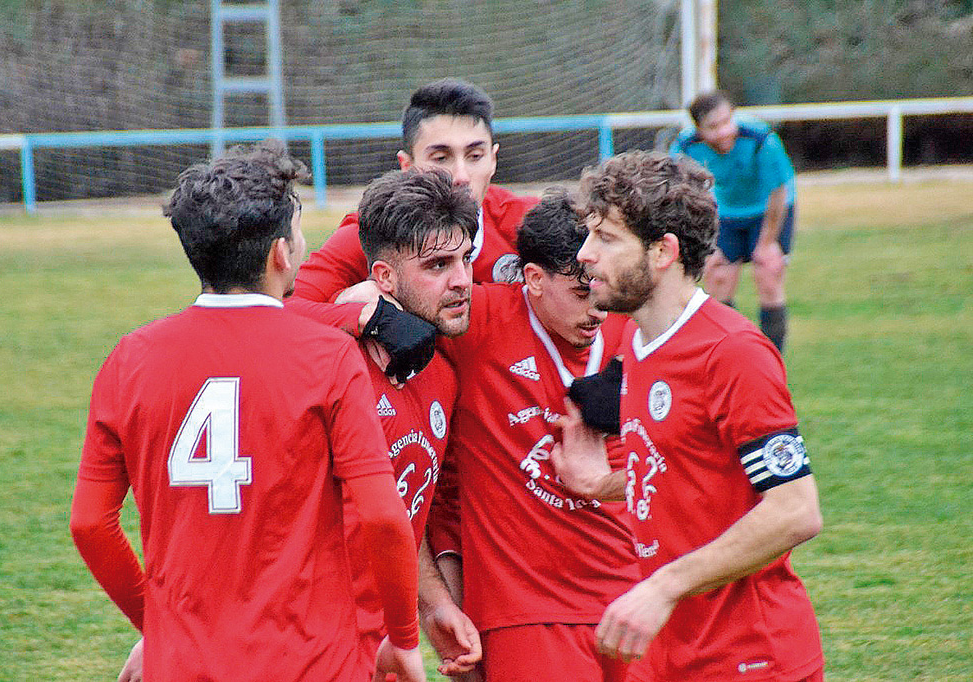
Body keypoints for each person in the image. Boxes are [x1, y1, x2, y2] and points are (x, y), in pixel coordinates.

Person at [69, 140, 425, 682]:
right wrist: (402, 637)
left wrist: (158, 624)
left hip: (183, 664)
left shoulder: (129, 359)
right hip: (313, 662)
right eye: (300, 231)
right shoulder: (327, 356)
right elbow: (382, 516)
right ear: (280, 253)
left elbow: (91, 524)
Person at [550, 150, 823, 681]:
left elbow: (795, 510)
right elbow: (688, 471)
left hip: (752, 657)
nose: (585, 254)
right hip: (669, 654)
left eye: (605, 239)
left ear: (663, 251)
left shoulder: (732, 352)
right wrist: (602, 483)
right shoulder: (637, 341)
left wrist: (661, 586)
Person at [420, 191, 648, 682]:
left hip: (636, 592)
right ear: (534, 279)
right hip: (527, 609)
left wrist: (604, 480)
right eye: (580, 293)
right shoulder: (476, 321)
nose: (598, 311)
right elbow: (352, 312)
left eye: (601, 289)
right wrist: (358, 307)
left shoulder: (636, 327)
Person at [345, 167, 482, 677]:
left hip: (382, 642)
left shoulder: (443, 376)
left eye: (465, 259)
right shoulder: (334, 368)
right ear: (383, 278)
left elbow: (407, 512)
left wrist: (435, 604)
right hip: (307, 638)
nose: (462, 280)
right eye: (438, 265)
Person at [293, 77, 539, 303]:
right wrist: (351, 307)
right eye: (441, 158)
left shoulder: (528, 223)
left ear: (493, 160)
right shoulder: (374, 232)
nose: (461, 176)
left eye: (475, 156)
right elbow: (288, 309)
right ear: (407, 166)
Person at [669, 90, 796, 352]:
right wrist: (702, 244)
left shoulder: (761, 139)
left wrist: (767, 242)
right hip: (724, 214)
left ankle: (772, 359)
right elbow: (680, 196)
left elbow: (778, 192)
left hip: (768, 211)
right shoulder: (684, 147)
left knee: (768, 272)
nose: (724, 131)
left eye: (727, 121)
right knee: (717, 276)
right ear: (699, 129)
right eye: (713, 127)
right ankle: (728, 355)